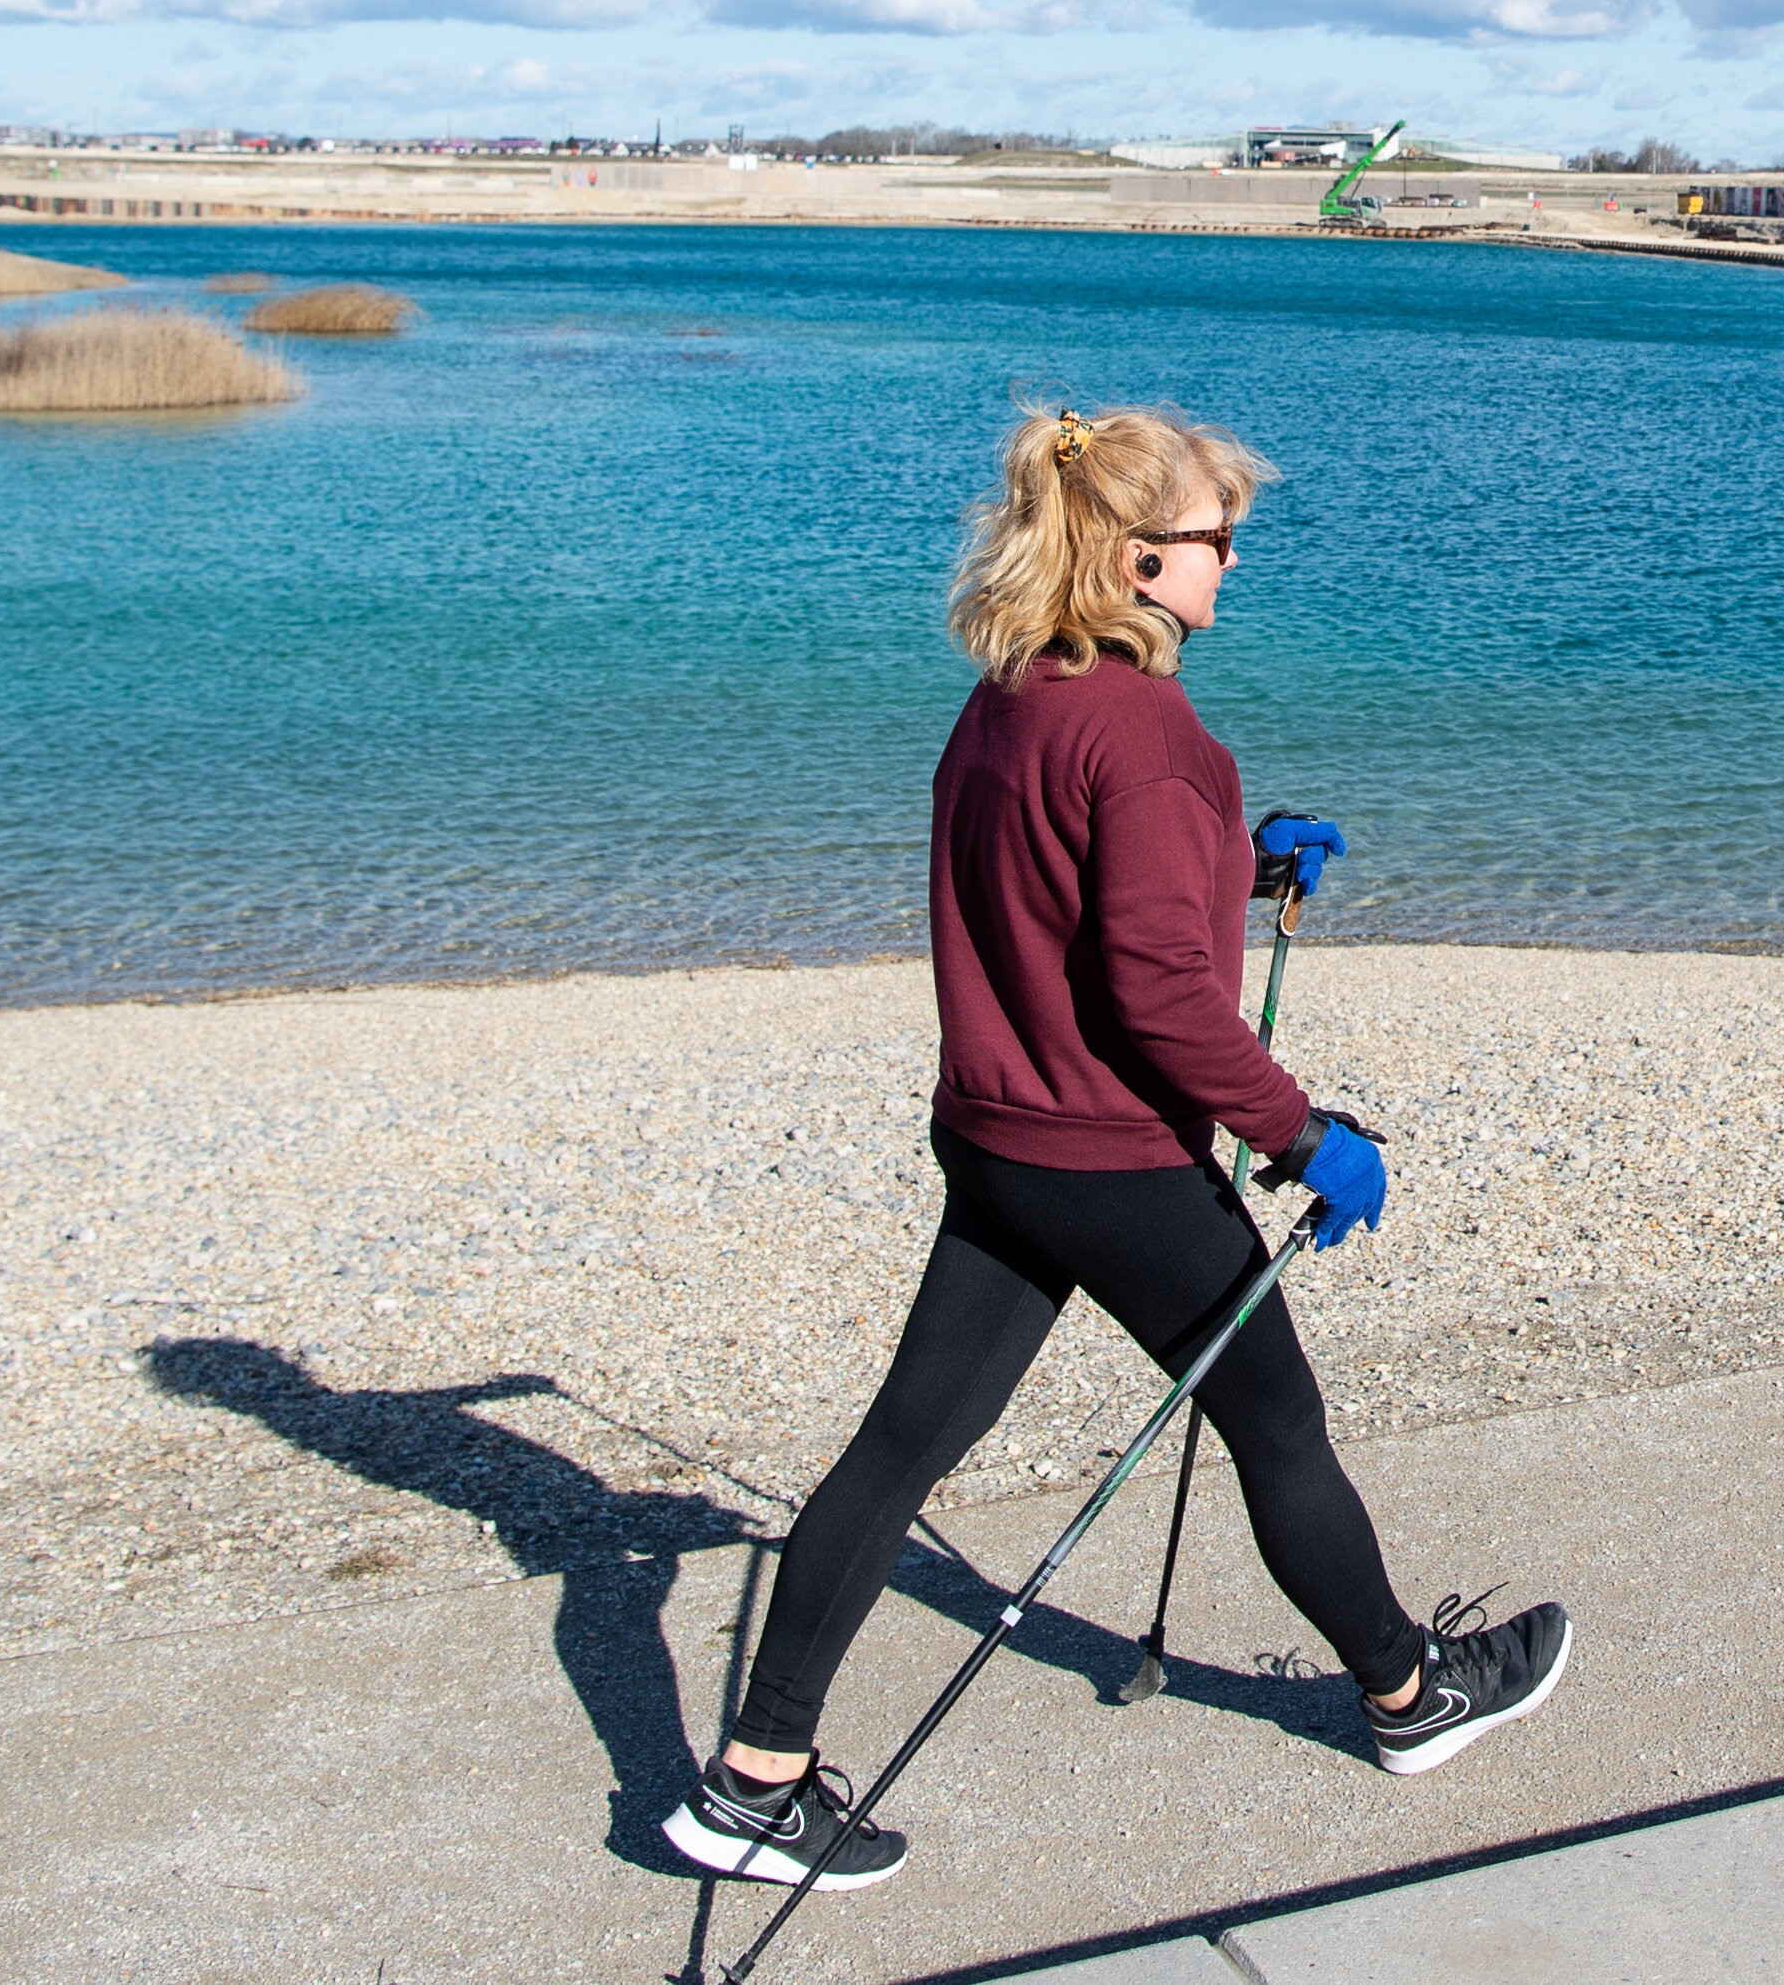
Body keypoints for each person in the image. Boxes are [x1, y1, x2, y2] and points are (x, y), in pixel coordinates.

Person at [666, 403, 1571, 1893]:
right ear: (1143, 556)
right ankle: (1412, 1695)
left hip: (998, 1143)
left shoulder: (1012, 693)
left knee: (903, 1446)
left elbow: (1064, 889)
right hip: (1113, 1163)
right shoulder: (1149, 734)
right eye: (1219, 538)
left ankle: (754, 1780)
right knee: (1278, 1422)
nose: (1233, 562)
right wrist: (1302, 1134)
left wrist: (1241, 858)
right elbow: (1156, 991)